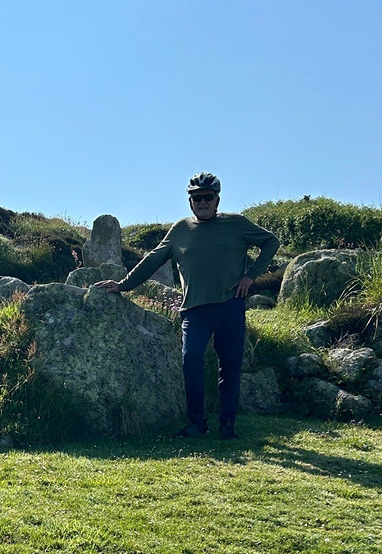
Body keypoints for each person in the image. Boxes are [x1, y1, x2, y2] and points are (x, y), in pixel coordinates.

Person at [93, 172, 280, 439]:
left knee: (230, 365)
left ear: (217, 200)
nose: (202, 202)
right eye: (196, 198)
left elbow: (271, 242)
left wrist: (251, 276)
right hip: (194, 310)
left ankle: (227, 424)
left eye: (207, 197)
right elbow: (152, 259)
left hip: (230, 306)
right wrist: (123, 285)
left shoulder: (237, 224)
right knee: (191, 359)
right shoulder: (180, 229)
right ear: (190, 201)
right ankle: (197, 423)